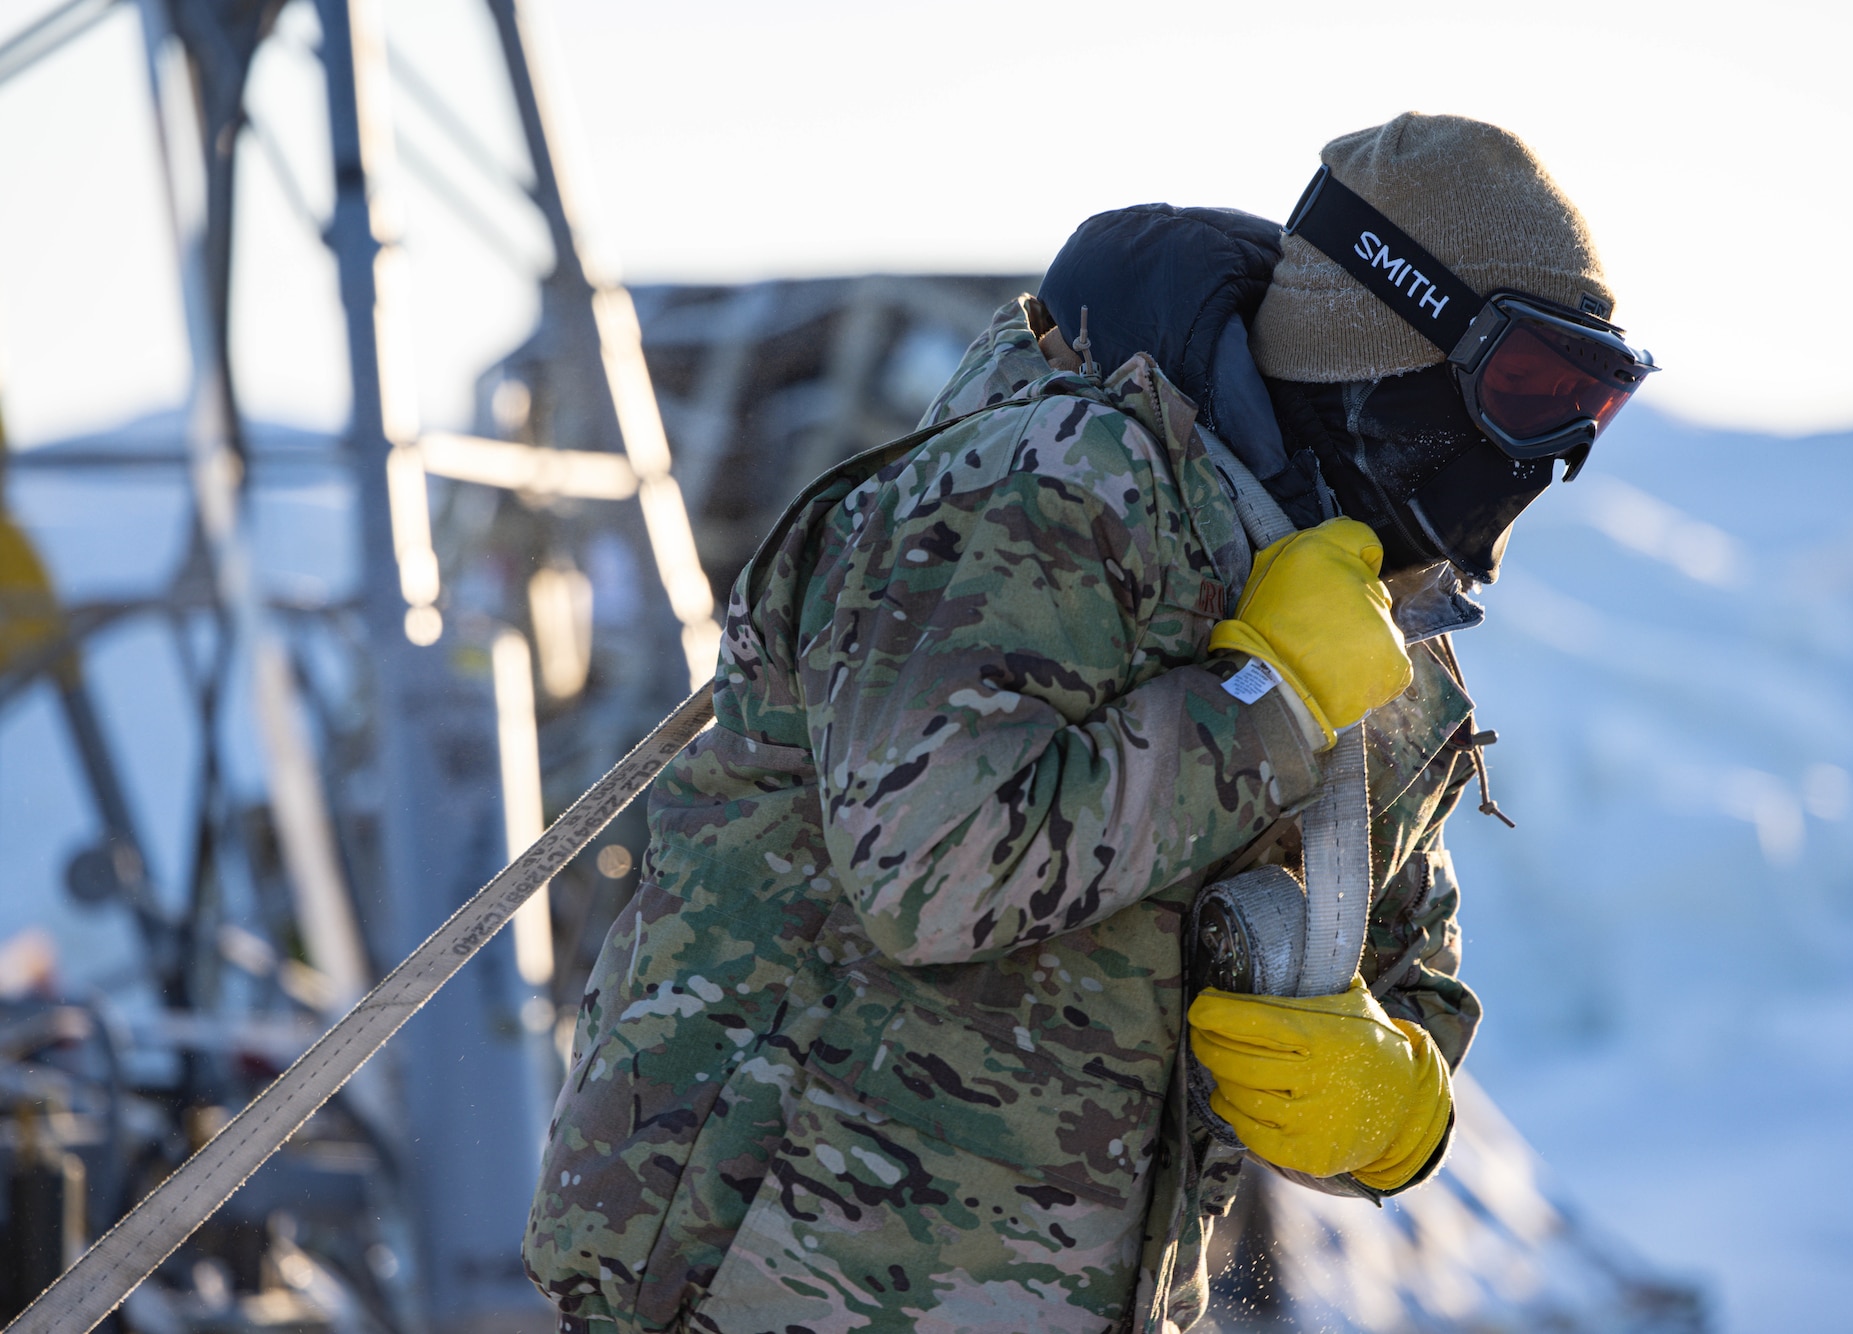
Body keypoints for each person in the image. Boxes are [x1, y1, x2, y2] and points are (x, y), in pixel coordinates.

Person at [523, 112, 1655, 1334]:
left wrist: (1394, 1111)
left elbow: (1393, 963)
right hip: (762, 1282)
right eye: (1534, 390)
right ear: (1378, 338)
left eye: (1589, 411)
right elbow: (929, 865)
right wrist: (1261, 701)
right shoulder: (1037, 491)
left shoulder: (1375, 632)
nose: (1550, 458)